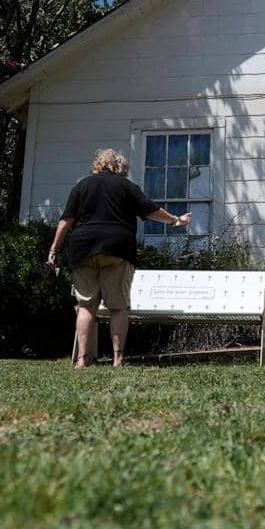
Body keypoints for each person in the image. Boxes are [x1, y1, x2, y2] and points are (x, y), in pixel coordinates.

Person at [45, 148, 191, 367]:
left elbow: (66, 220)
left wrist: (54, 250)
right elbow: (151, 210)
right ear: (119, 167)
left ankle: (83, 360)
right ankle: (118, 359)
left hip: (83, 249)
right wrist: (176, 220)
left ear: (98, 164)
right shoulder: (127, 187)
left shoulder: (81, 186)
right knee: (118, 306)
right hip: (117, 249)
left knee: (85, 306)